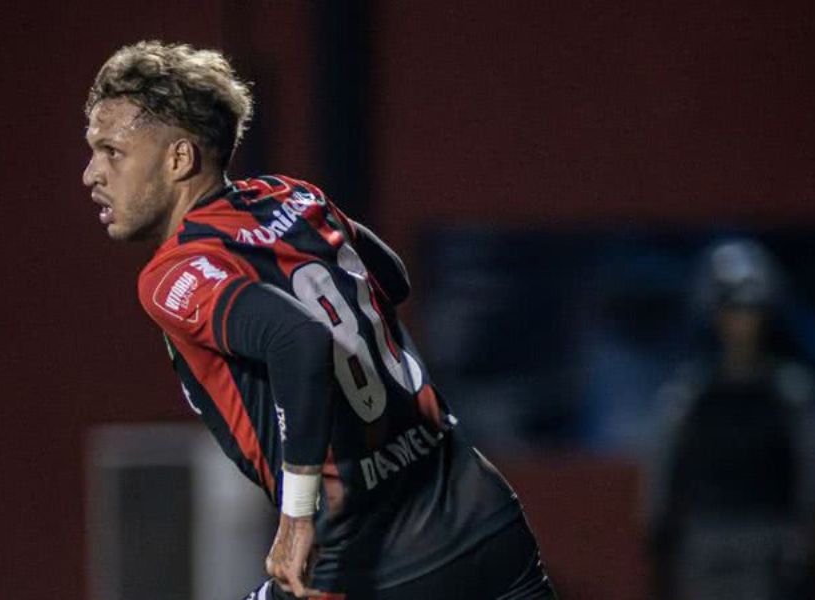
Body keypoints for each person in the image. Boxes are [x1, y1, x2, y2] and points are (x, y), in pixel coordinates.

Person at [82, 40, 555, 600]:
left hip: (370, 560)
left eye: (112, 152)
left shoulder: (176, 272)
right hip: (483, 517)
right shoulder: (295, 196)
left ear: (179, 159)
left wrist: (296, 516)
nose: (92, 173)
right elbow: (393, 279)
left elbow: (298, 338)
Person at [645, 239, 815, 600]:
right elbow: (661, 475)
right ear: (713, 314)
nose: (741, 323)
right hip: (703, 543)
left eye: (751, 310)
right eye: (732, 310)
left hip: (769, 542)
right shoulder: (690, 394)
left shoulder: (790, 393)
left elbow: (814, 471)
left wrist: (802, 536)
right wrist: (659, 539)